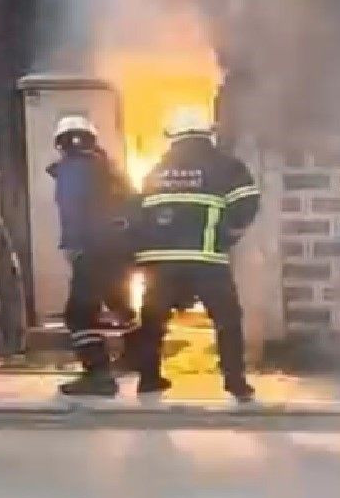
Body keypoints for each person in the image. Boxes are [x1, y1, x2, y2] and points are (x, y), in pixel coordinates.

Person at [130, 108, 260, 400]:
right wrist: (227, 235)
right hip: (206, 259)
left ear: (173, 137)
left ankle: (148, 379)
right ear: (207, 134)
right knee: (227, 319)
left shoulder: (155, 170)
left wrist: (138, 253)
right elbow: (248, 202)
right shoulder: (226, 167)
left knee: (152, 322)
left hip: (159, 262)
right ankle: (235, 382)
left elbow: (138, 213)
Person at [47, 116, 136, 397]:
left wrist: (73, 246)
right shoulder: (110, 170)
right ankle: (140, 358)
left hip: (92, 249)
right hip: (119, 251)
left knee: (79, 315)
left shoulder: (73, 169)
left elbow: (73, 210)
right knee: (120, 307)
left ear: (61, 143)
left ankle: (98, 375)